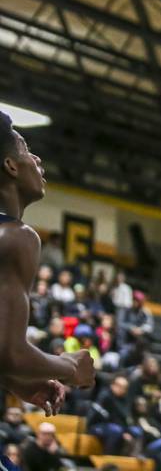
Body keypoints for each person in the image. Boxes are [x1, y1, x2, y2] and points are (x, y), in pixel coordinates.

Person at [0, 112, 94, 432]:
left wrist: (16, 382)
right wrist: (69, 366)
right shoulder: (16, 237)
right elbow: (9, 351)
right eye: (25, 149)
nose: (37, 158)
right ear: (10, 166)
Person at [87, 375, 139, 455]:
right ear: (112, 385)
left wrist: (126, 431)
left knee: (136, 431)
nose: (121, 389)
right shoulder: (105, 396)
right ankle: (108, 456)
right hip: (97, 425)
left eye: (124, 387)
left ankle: (132, 456)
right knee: (115, 430)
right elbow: (105, 417)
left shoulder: (124, 400)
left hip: (117, 426)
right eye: (119, 386)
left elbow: (125, 418)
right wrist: (123, 432)